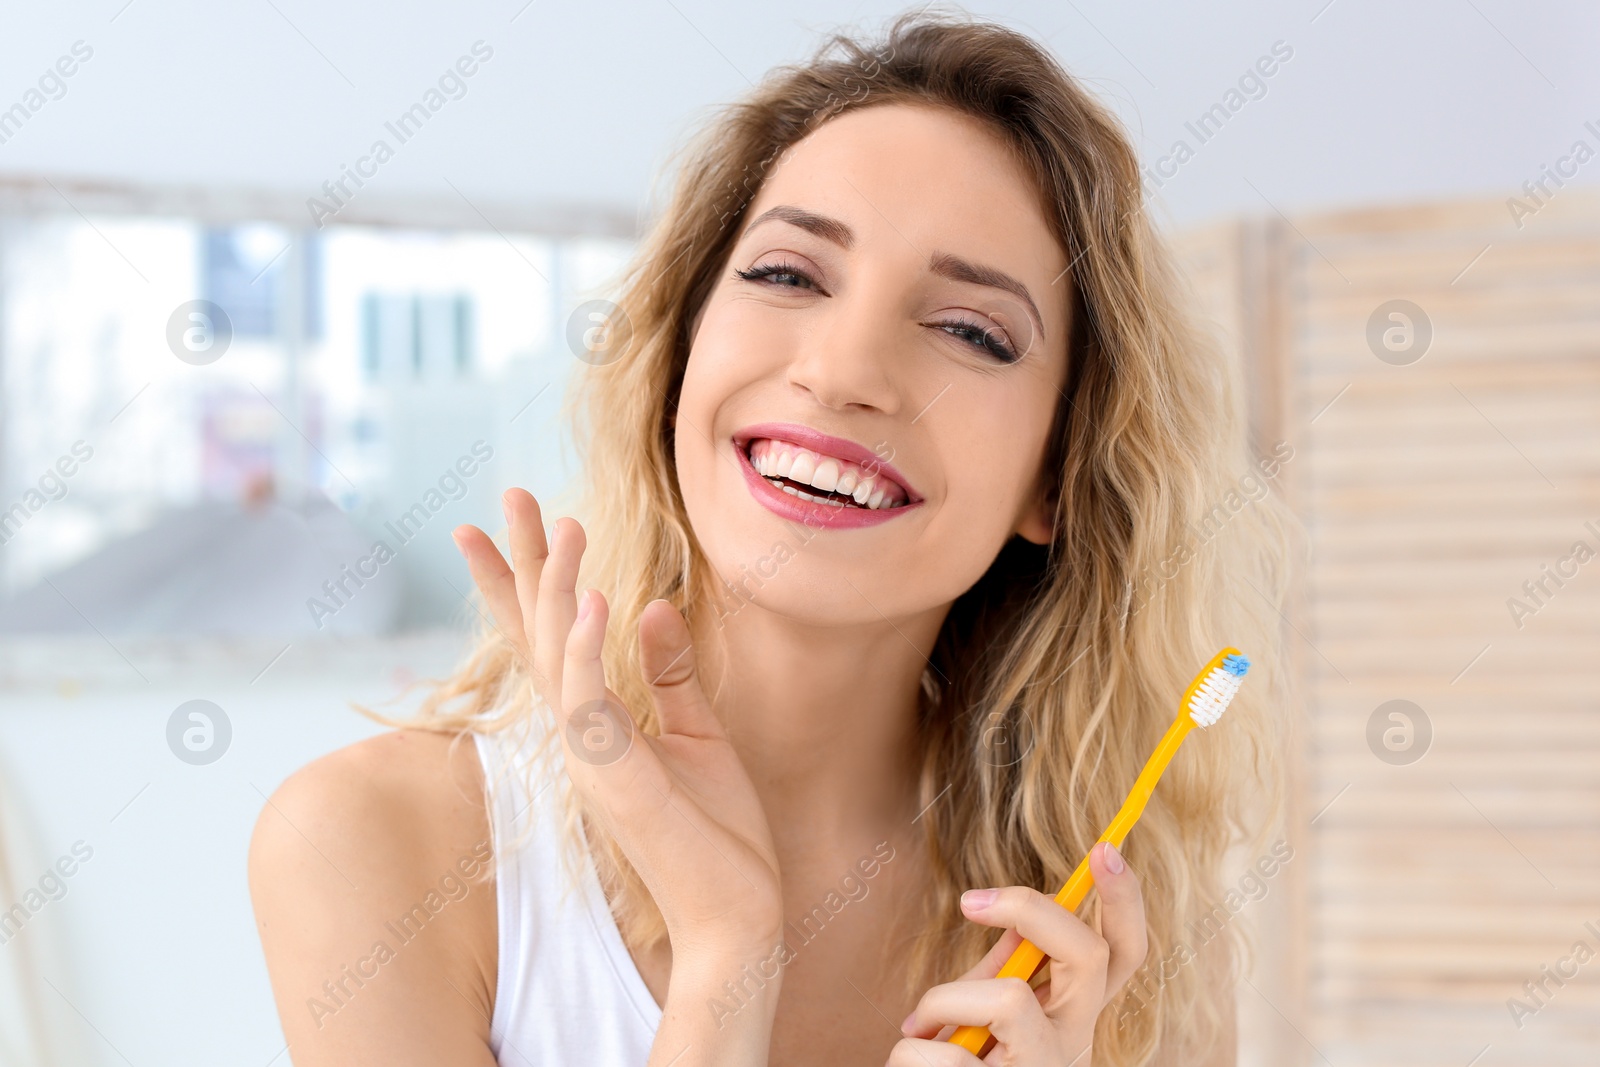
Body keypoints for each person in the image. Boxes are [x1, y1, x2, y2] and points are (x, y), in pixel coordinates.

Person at [249, 10, 1294, 1065]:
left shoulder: (1117, 952)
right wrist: (723, 953)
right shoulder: (382, 844)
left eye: (970, 330)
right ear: (678, 356)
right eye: (788, 274)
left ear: (1057, 473)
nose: (842, 370)